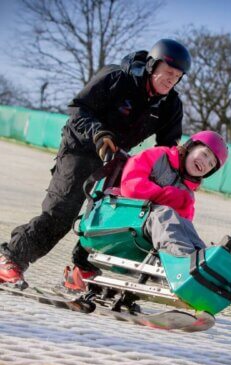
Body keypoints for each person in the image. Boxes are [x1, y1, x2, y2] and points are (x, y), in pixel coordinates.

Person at [0, 38, 192, 291]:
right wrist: (99, 133)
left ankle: (82, 269)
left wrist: (180, 170)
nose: (171, 80)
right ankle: (10, 258)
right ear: (152, 66)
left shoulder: (170, 105)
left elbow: (169, 148)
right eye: (168, 73)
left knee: (108, 217)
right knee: (63, 212)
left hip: (116, 160)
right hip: (80, 148)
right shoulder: (117, 78)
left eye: (177, 76)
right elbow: (78, 110)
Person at [120, 131, 228, 256]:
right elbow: (130, 185)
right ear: (190, 147)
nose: (205, 162)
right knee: (165, 214)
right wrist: (164, 195)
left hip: (153, 232)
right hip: (129, 215)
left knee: (185, 226)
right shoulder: (159, 155)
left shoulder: (187, 194)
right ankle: (184, 260)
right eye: (204, 154)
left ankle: (201, 258)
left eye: (211, 164)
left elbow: (181, 226)